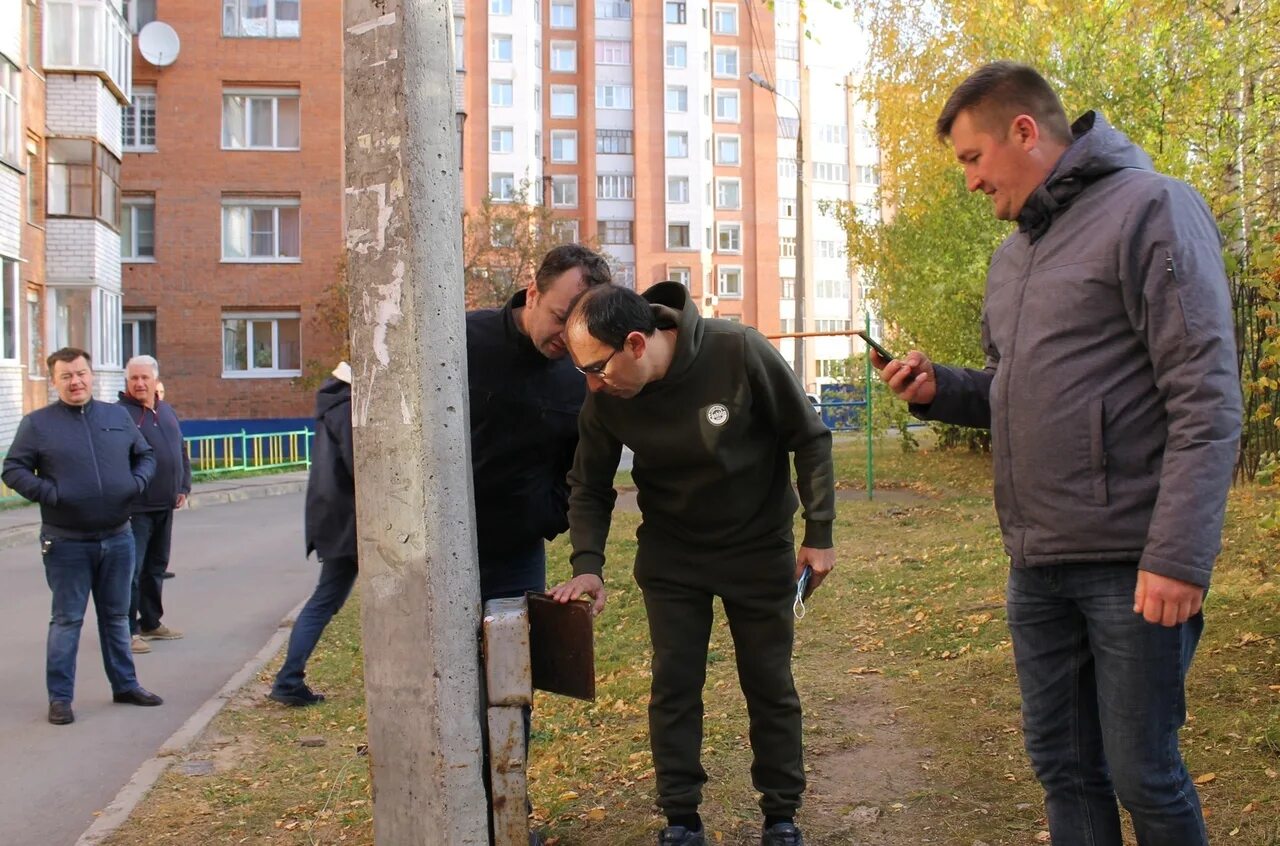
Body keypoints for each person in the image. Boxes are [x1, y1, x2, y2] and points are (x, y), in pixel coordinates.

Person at [874, 62, 1241, 845]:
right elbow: (1017, 390)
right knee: (1064, 770)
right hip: (1037, 564)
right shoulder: (1014, 258)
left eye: (973, 159)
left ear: (1024, 131)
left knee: (1145, 772)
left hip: (1134, 565)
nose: (969, 182)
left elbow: (1206, 394)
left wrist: (1179, 554)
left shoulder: (1153, 208)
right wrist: (943, 390)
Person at [549, 283, 836, 846]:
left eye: (597, 368)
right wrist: (588, 564)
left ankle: (781, 815)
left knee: (769, 681)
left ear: (635, 343)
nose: (591, 384)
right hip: (673, 555)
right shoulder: (608, 396)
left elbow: (809, 436)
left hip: (757, 547)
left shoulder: (738, 351)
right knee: (674, 684)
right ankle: (681, 819)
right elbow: (589, 483)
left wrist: (818, 535)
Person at [2, 348, 164, 725]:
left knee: (116, 616)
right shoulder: (38, 424)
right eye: (66, 376)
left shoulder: (115, 417)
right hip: (66, 542)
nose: (75, 382)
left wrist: (135, 483)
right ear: (54, 381)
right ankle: (60, 698)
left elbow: (146, 456)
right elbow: (13, 470)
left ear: (91, 375)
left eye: (81, 373)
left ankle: (125, 685)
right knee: (67, 620)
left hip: (118, 537)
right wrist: (51, 494)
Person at [466, 243, 612, 603]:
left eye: (580, 324)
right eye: (561, 317)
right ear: (533, 293)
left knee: (512, 656)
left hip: (516, 556)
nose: (567, 336)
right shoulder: (461, 341)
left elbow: (581, 468)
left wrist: (543, 516)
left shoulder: (583, 374)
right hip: (437, 545)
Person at [269, 362, 356, 706]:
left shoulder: (334, 403)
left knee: (326, 600)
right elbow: (360, 464)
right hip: (348, 522)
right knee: (324, 601)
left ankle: (288, 679)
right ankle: (288, 680)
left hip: (335, 519)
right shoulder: (348, 408)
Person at [118, 355, 192, 653]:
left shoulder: (166, 411)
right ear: (127, 382)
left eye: (144, 378)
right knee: (131, 571)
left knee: (156, 567)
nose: (139, 383)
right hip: (136, 508)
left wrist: (183, 486)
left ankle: (151, 621)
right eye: (133, 378)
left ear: (155, 381)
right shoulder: (120, 415)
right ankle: (127, 630)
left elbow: (180, 450)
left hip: (165, 504)